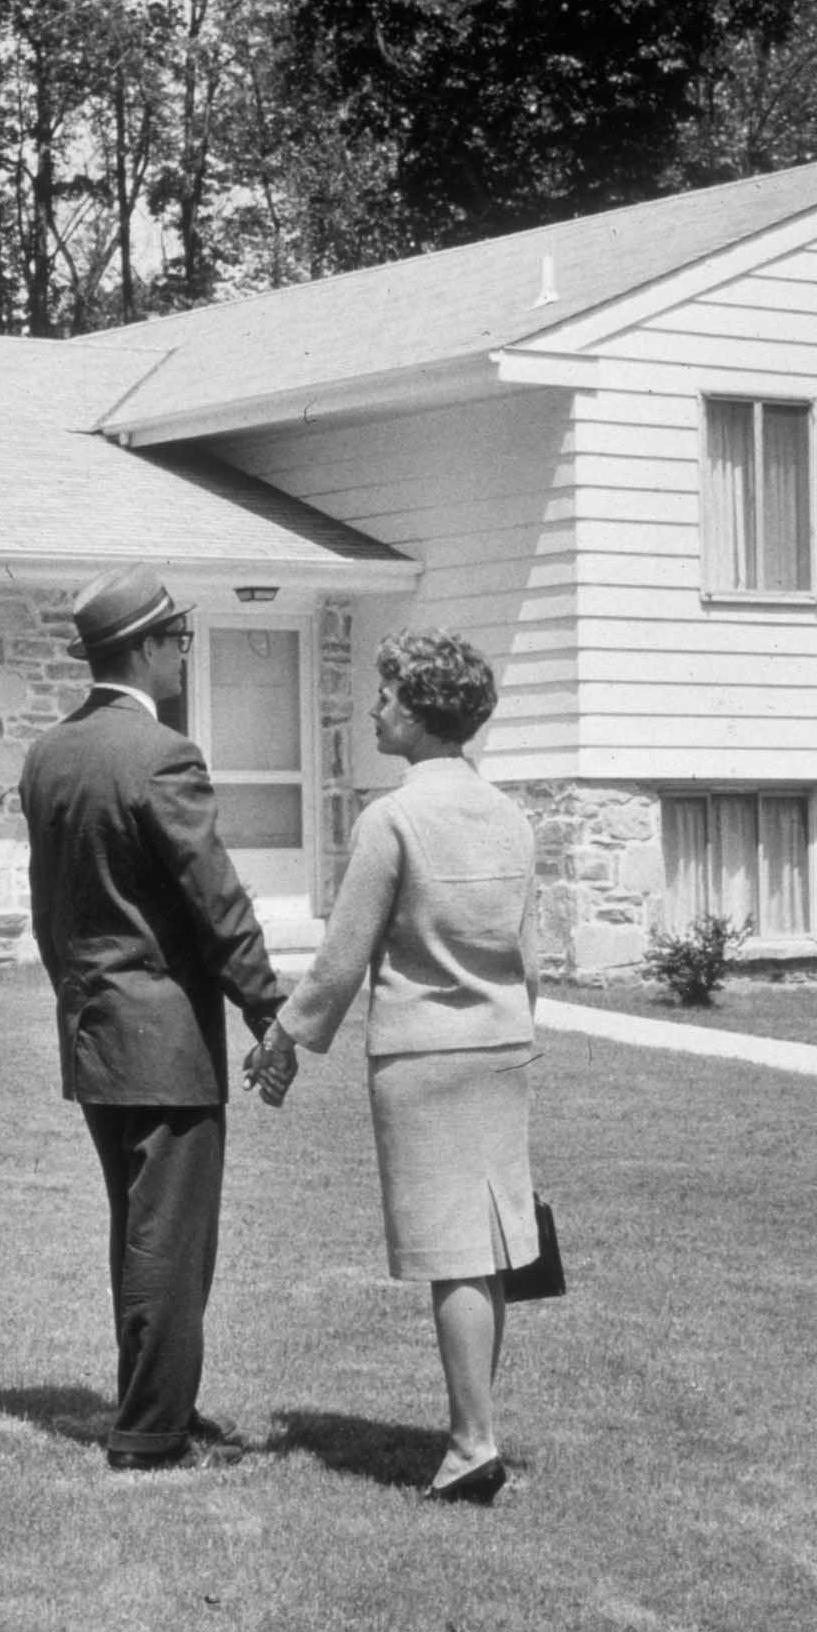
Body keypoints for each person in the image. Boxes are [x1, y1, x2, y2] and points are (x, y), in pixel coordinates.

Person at [250, 629, 538, 1505]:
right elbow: (529, 954)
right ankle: (475, 1433)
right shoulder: (512, 814)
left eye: (385, 697)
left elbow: (340, 959)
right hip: (501, 1049)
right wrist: (522, 1035)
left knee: (454, 1250)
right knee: (484, 1249)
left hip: (423, 1056)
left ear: (417, 714)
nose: (374, 708)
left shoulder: (392, 818)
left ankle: (469, 1443)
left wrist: (282, 1040)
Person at [20, 564, 293, 1473]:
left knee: (137, 1232)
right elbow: (216, 900)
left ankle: (154, 1405)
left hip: (95, 1027)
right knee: (170, 1241)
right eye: (179, 638)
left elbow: (49, 911)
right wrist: (270, 1011)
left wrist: (82, 995)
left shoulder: (51, 754)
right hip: (167, 1037)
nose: (186, 653)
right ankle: (151, 1431)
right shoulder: (161, 753)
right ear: (144, 646)